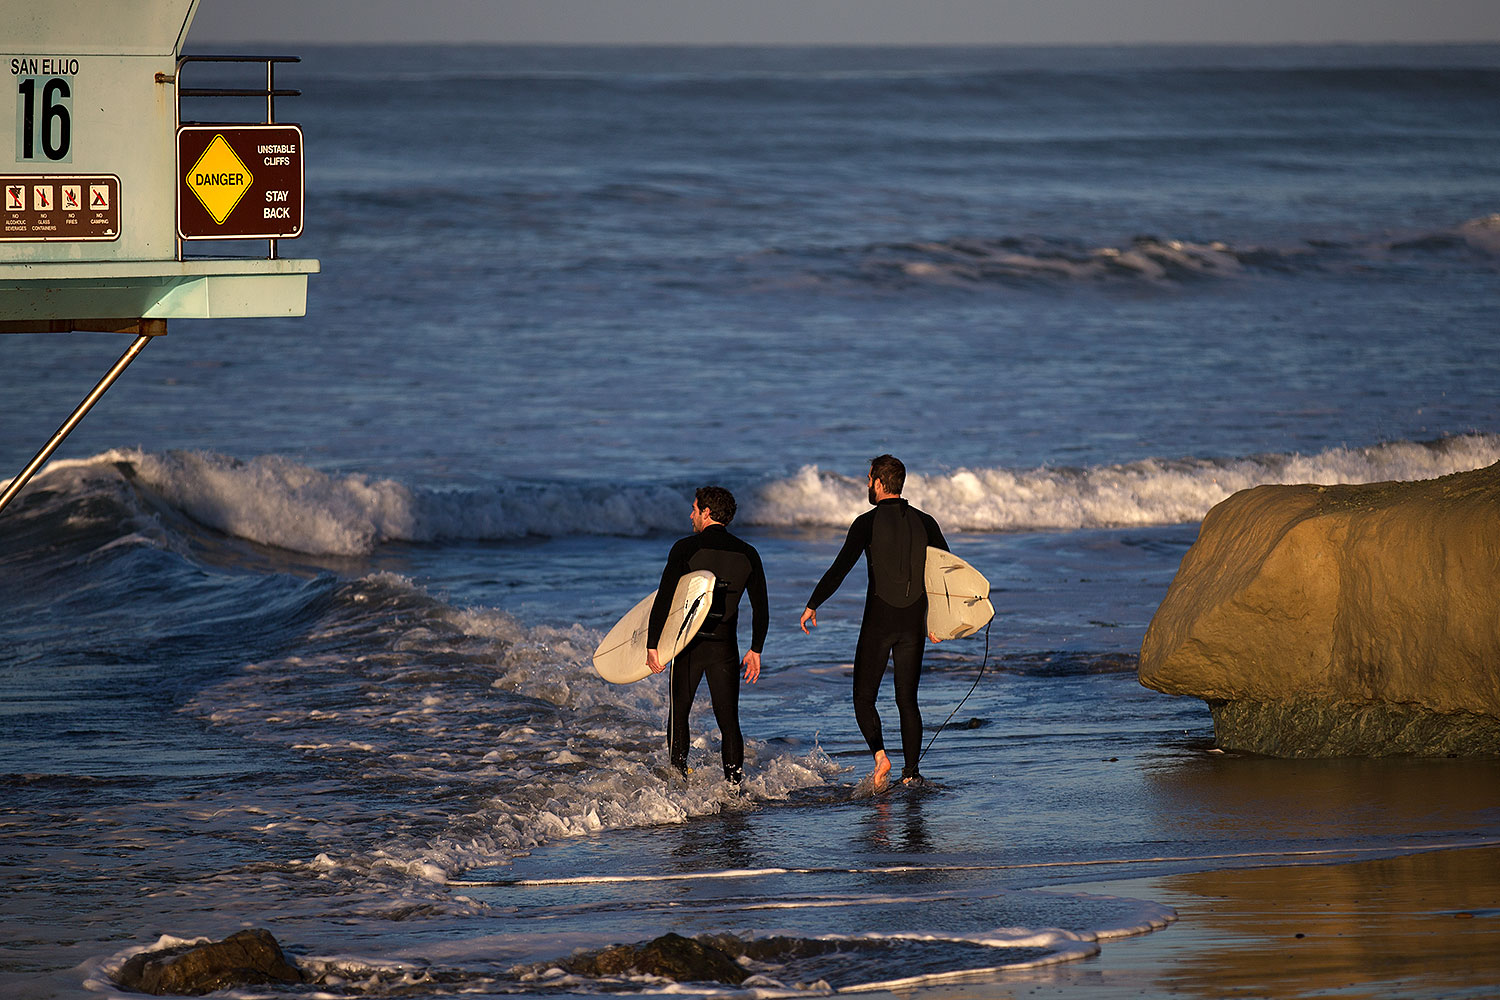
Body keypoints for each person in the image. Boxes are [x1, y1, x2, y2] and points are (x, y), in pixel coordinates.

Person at [800, 455, 947, 789]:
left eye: (869, 479)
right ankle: (911, 774)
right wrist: (940, 621)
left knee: (863, 698)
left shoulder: (865, 523)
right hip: (914, 623)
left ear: (879, 483)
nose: (867, 484)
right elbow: (945, 572)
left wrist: (813, 604)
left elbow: (840, 569)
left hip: (879, 623)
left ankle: (881, 757)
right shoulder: (926, 522)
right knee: (908, 700)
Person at [647, 485, 767, 782]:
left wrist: (653, 645)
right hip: (726, 649)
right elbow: (761, 607)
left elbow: (664, 599)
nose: (691, 515)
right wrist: (756, 649)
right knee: (729, 723)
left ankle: (679, 782)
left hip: (688, 646)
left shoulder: (686, 548)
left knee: (679, 714)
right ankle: (734, 789)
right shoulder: (748, 553)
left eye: (694, 509)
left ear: (707, 513)